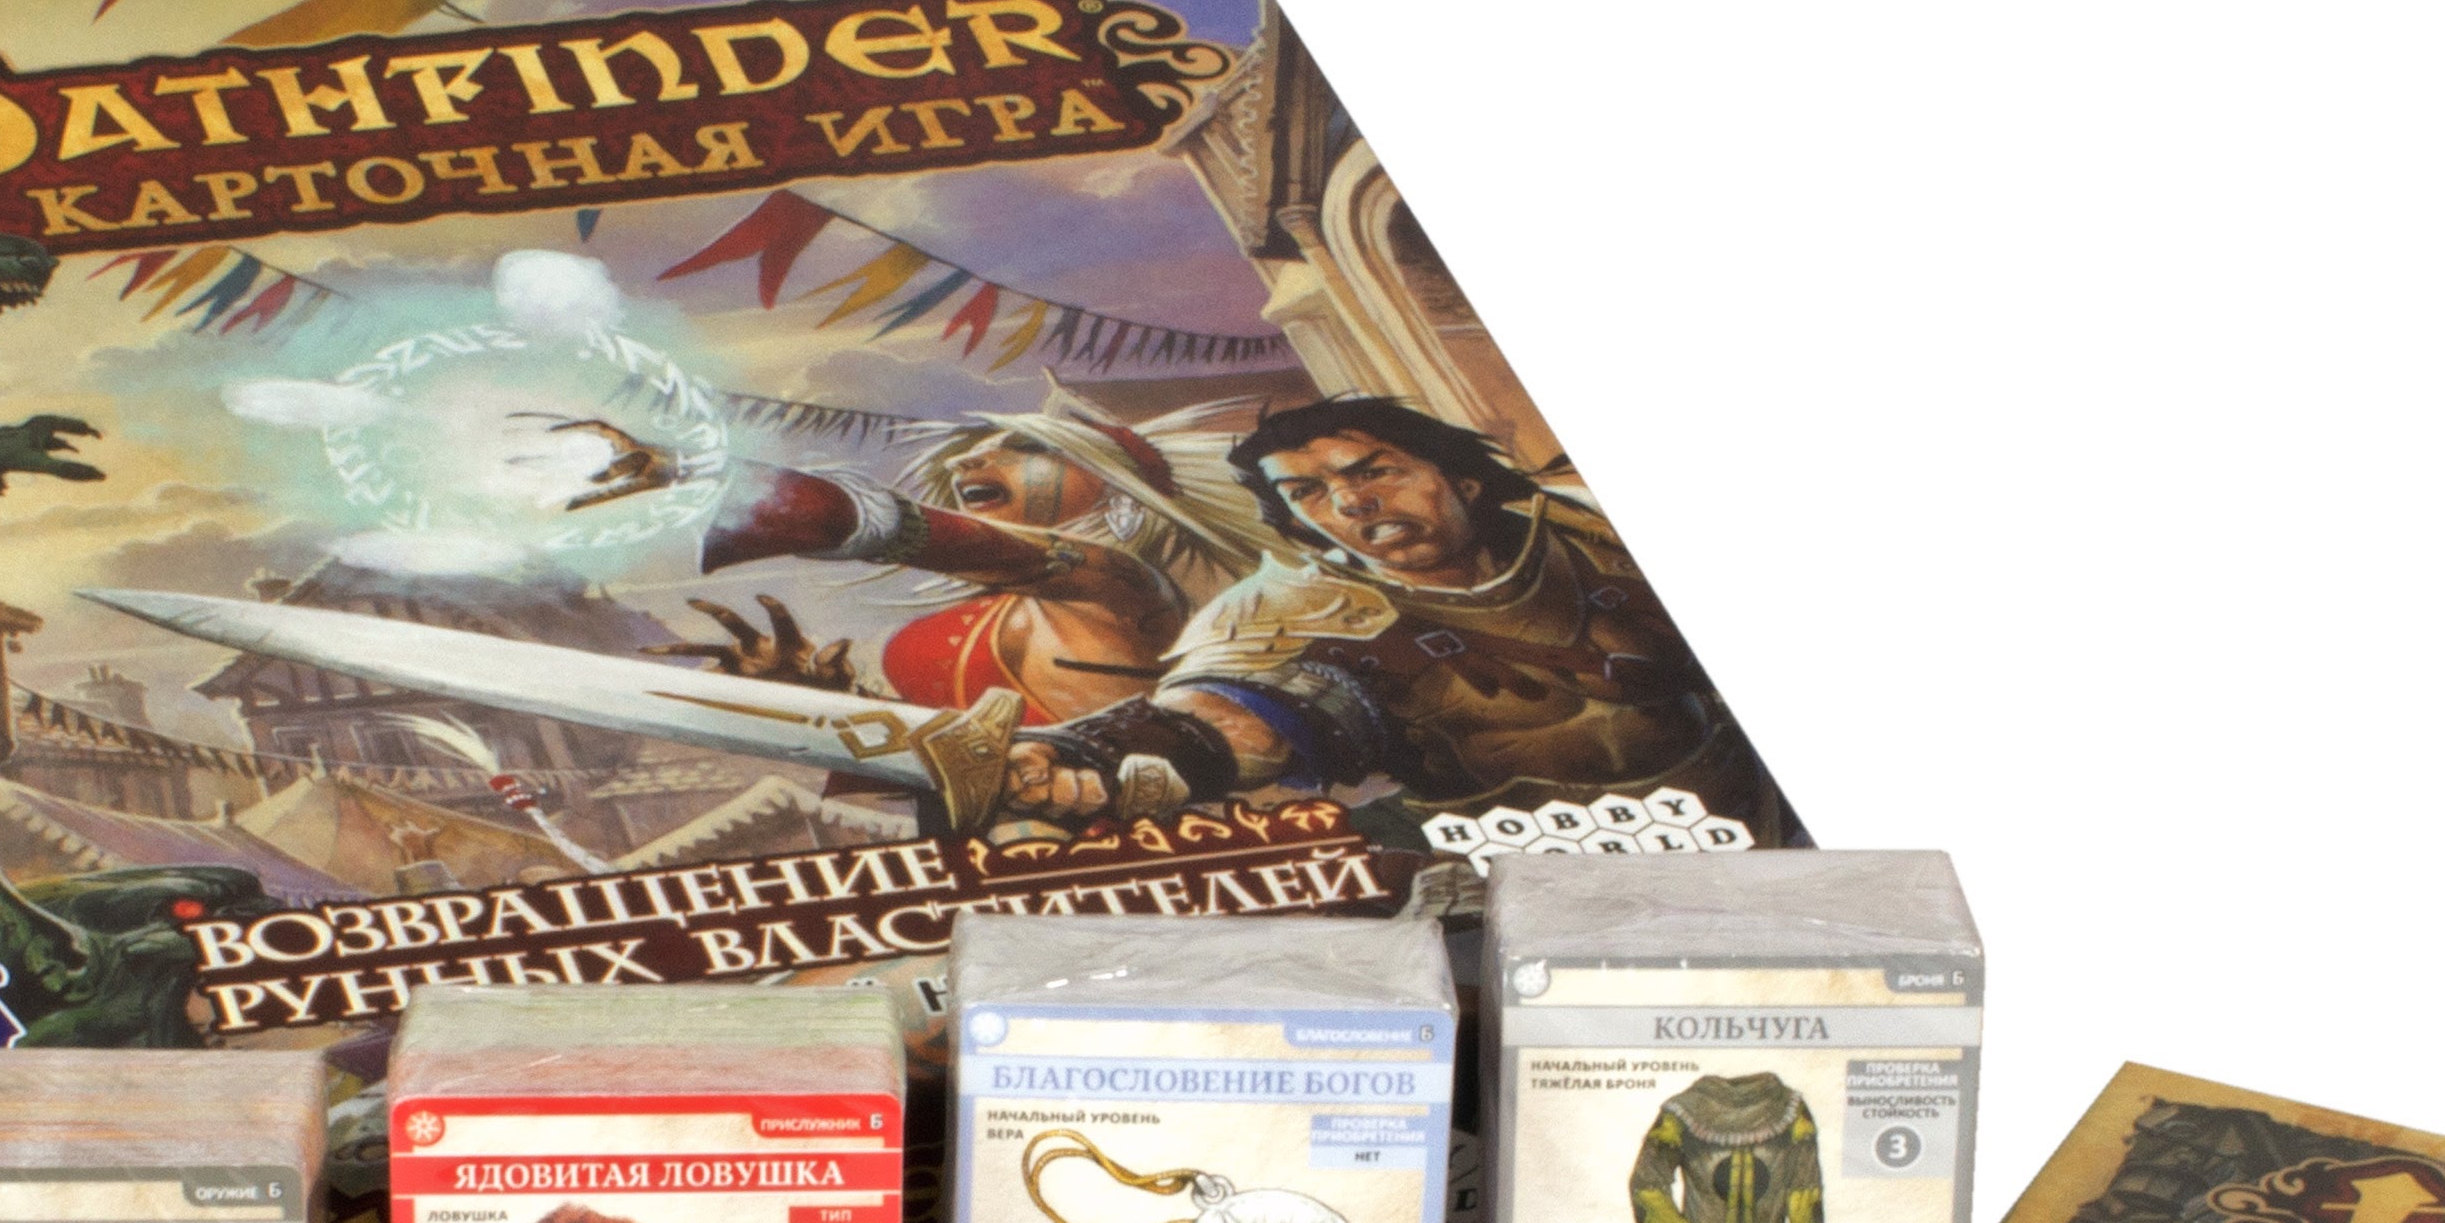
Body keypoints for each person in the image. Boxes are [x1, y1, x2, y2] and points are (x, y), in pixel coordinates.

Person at [996, 397, 1796, 839]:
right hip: (1514, 875)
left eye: (1375, 471)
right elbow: (1227, 716)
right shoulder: (1289, 610)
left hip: (1757, 820)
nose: (1351, 502)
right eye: (1307, 493)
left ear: (1463, 481)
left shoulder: (1594, 530)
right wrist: (1086, 753)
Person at [639, 403, 1294, 721]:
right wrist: (830, 698)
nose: (963, 462)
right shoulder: (1001, 607)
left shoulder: (1120, 583)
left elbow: (949, 541)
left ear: (1119, 493)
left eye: (1025, 448)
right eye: (972, 453)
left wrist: (722, 483)